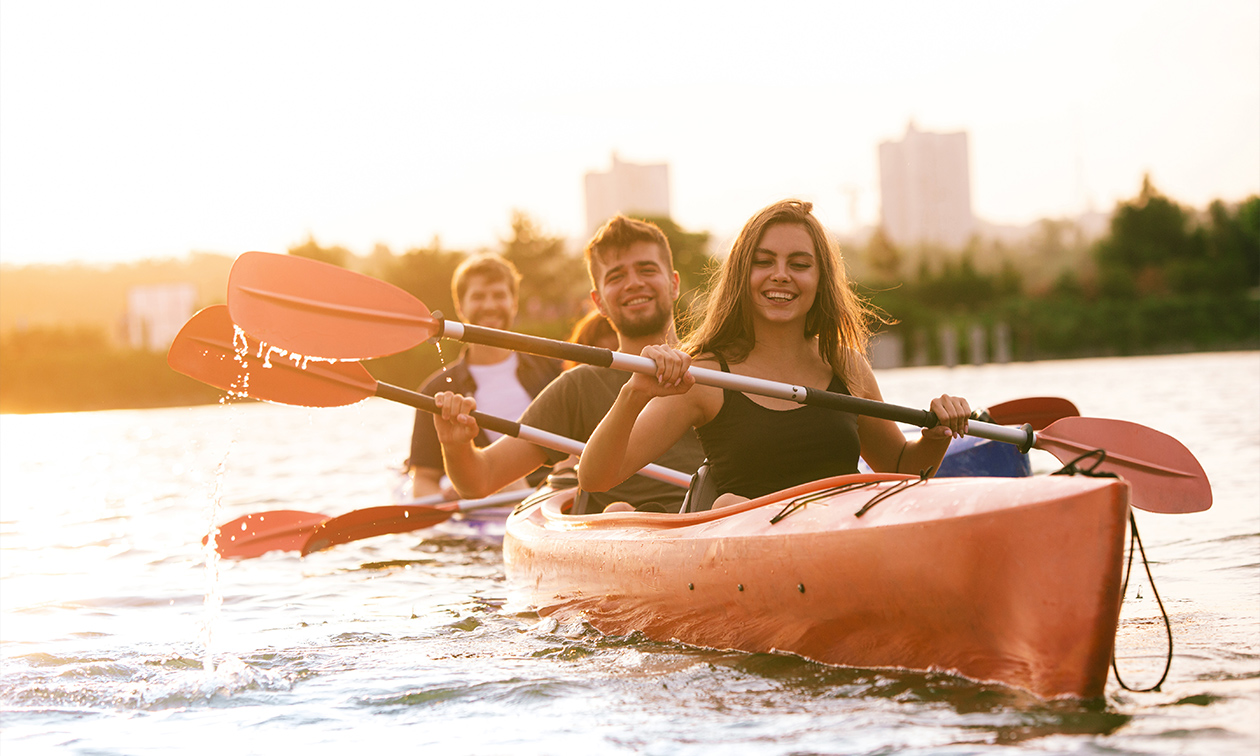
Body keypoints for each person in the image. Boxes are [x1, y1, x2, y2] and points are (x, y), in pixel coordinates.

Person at [578, 199, 972, 509]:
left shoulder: (847, 365)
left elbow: (902, 469)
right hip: (746, 560)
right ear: (741, 275)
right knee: (730, 503)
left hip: (837, 545)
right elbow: (596, 478)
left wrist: (936, 435)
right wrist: (635, 393)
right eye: (763, 262)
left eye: (799, 264)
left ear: (819, 280)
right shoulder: (706, 376)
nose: (780, 274)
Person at [431, 215, 706, 513]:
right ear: (599, 302)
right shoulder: (577, 387)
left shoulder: (716, 369)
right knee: (618, 511)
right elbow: (480, 479)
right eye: (616, 277)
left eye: (647, 270)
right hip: (621, 526)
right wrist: (455, 446)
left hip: (719, 521)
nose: (634, 283)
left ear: (674, 284)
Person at [407, 253, 562, 498]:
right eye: (478, 297)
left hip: (552, 500)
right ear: (460, 307)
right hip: (482, 509)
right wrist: (448, 496)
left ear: (514, 303)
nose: (489, 305)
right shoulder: (435, 391)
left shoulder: (555, 372)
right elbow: (422, 483)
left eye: (499, 295)